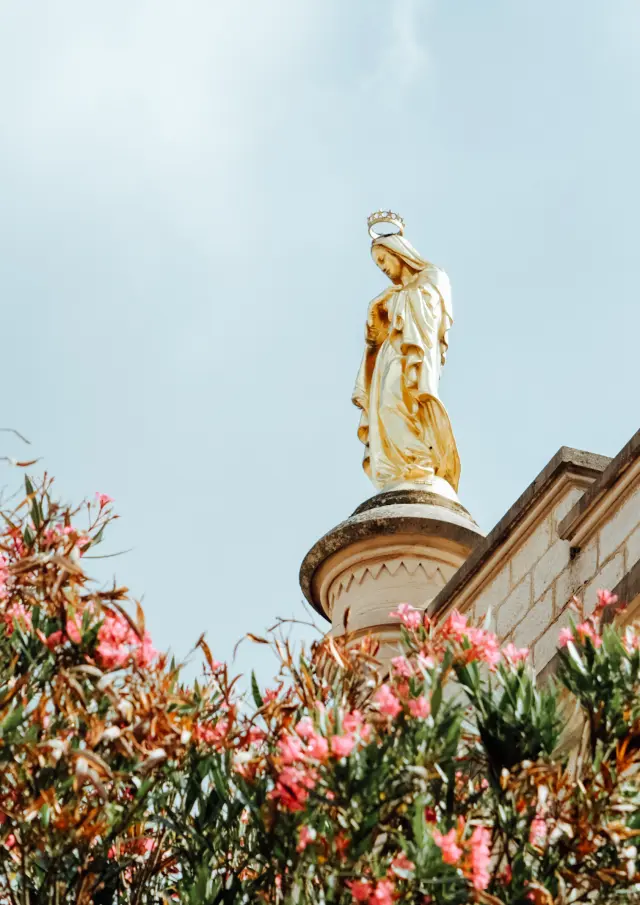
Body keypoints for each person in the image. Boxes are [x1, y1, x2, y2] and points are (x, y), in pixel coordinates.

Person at [352, 231, 461, 492]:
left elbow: (430, 313)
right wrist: (374, 322)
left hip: (412, 355)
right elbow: (377, 338)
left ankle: (419, 460)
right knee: (383, 406)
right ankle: (397, 468)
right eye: (379, 265)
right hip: (389, 354)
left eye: (384, 259)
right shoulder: (396, 293)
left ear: (398, 252)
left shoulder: (432, 276)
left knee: (396, 401)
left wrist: (392, 301)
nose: (384, 268)